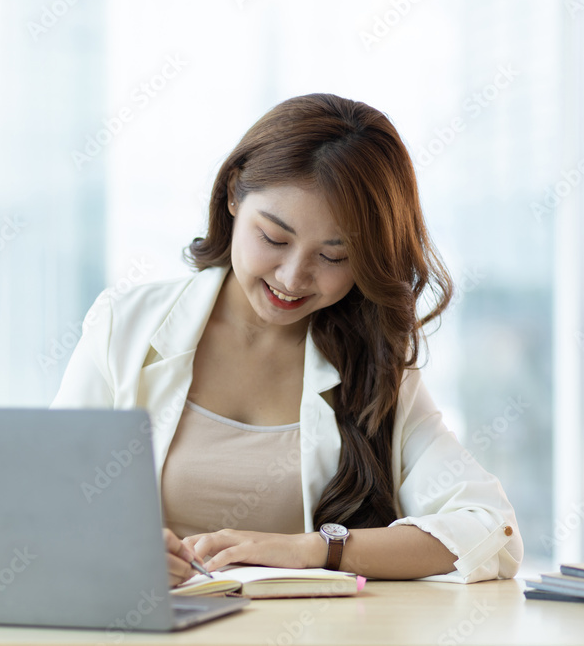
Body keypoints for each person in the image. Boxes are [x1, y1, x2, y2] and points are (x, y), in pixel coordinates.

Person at [51, 93, 523, 586]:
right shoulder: (125, 326)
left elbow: (493, 531)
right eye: (274, 239)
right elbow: (43, 505)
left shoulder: (375, 362)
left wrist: (313, 549)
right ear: (234, 195)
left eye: (335, 257)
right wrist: (112, 548)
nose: (294, 277)